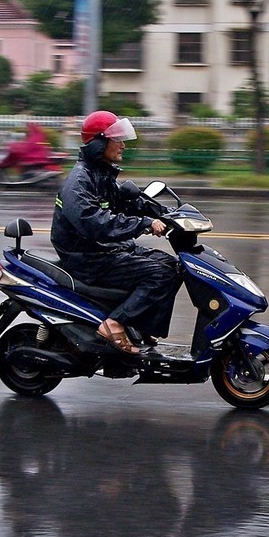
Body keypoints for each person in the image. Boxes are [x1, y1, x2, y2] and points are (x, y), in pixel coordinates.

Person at [50, 110, 181, 354]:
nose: (122, 145)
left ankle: (140, 324)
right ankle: (113, 323)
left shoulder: (101, 174)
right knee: (160, 275)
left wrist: (168, 213)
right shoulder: (79, 181)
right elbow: (94, 222)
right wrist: (143, 224)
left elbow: (128, 202)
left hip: (105, 250)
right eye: (117, 139)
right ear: (99, 143)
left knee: (173, 265)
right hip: (87, 257)